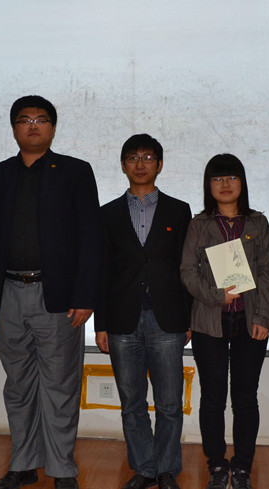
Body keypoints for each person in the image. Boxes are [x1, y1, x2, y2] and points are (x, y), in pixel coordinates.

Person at [0, 95, 102, 489]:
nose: (33, 125)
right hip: (8, 294)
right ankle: (23, 464)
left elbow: (91, 238)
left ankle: (62, 469)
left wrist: (85, 297)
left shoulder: (76, 172)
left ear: (53, 127)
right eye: (25, 119)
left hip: (57, 297)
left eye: (41, 119)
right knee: (18, 385)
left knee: (60, 386)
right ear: (14, 128)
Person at [95, 134, 192, 489]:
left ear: (160, 164)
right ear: (123, 165)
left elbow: (187, 267)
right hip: (122, 320)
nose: (140, 164)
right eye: (133, 158)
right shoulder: (107, 214)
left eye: (148, 157)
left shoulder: (179, 211)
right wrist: (101, 324)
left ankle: (166, 469)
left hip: (167, 319)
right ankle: (144, 468)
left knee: (169, 403)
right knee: (131, 402)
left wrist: (189, 318)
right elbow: (102, 271)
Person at [180, 154, 269, 489]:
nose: (225, 184)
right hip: (209, 322)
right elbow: (187, 271)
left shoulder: (257, 222)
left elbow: (266, 272)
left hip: (250, 322)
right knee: (213, 397)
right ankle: (218, 464)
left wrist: (263, 316)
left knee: (246, 398)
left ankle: (243, 466)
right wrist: (216, 295)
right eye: (217, 178)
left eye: (231, 177)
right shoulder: (199, 224)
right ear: (208, 185)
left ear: (242, 182)